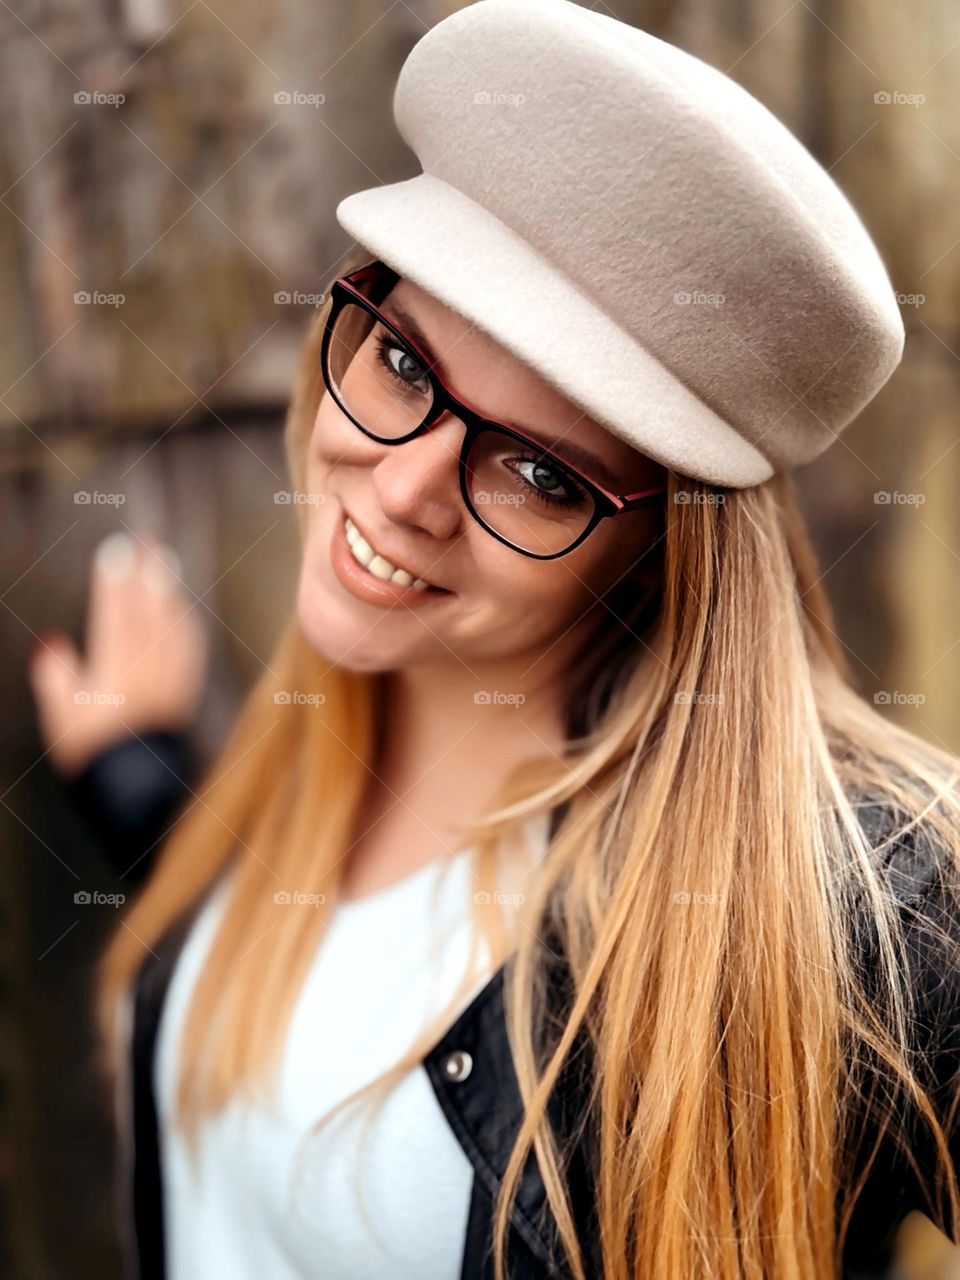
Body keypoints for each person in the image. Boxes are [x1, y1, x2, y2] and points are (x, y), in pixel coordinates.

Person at [28, 2, 960, 1278]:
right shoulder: (304, 768)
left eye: (537, 470)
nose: (405, 487)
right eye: (405, 360)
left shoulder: (838, 906)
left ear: (662, 541)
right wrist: (131, 769)